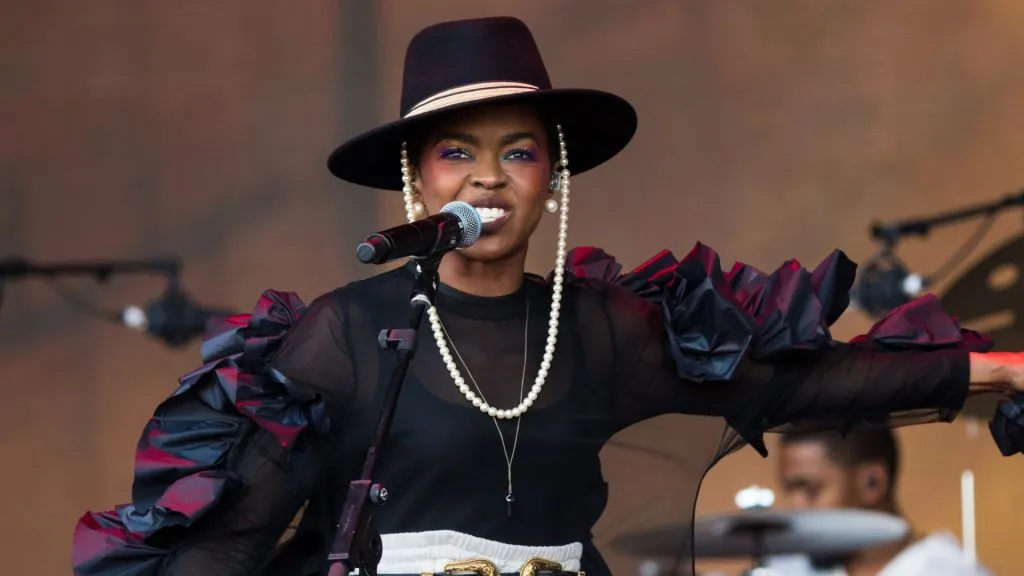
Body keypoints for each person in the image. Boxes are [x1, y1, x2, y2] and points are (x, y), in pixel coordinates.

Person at [71, 16, 1024, 576]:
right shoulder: (350, 336)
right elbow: (229, 541)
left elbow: (803, 383)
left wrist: (998, 370)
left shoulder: (605, 331)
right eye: (457, 152)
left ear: (551, 179)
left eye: (518, 152)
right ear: (416, 180)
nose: (488, 178)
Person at [768, 429, 993, 576]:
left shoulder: (949, 571)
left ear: (872, 483)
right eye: (789, 491)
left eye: (811, 491)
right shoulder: (787, 568)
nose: (794, 508)